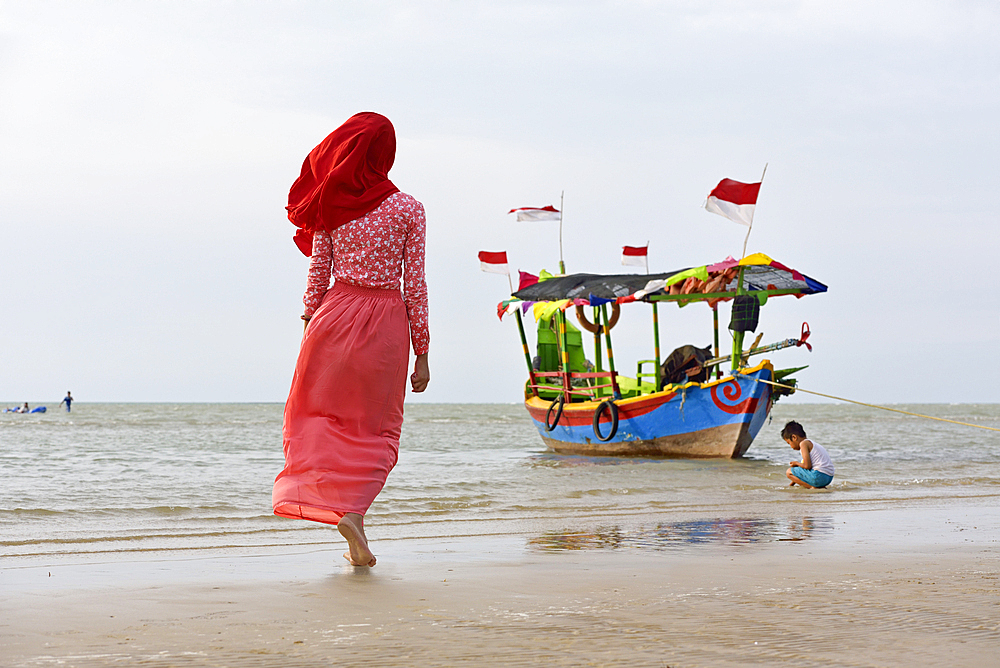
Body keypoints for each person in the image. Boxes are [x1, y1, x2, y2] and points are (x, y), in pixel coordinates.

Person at [272, 112, 430, 568]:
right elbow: (414, 284)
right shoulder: (408, 208)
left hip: (332, 319)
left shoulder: (332, 203)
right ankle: (355, 514)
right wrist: (422, 352)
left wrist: (308, 326)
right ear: (386, 153)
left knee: (319, 418)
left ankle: (328, 507)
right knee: (378, 432)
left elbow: (317, 272)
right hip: (385, 325)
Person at [782, 421, 835, 489]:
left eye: (789, 443)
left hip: (819, 476)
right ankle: (817, 486)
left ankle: (813, 487)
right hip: (828, 478)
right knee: (794, 471)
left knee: (789, 472)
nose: (791, 447)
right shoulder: (812, 444)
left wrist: (796, 463)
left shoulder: (803, 444)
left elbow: (807, 466)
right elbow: (802, 472)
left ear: (794, 437)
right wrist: (791, 485)